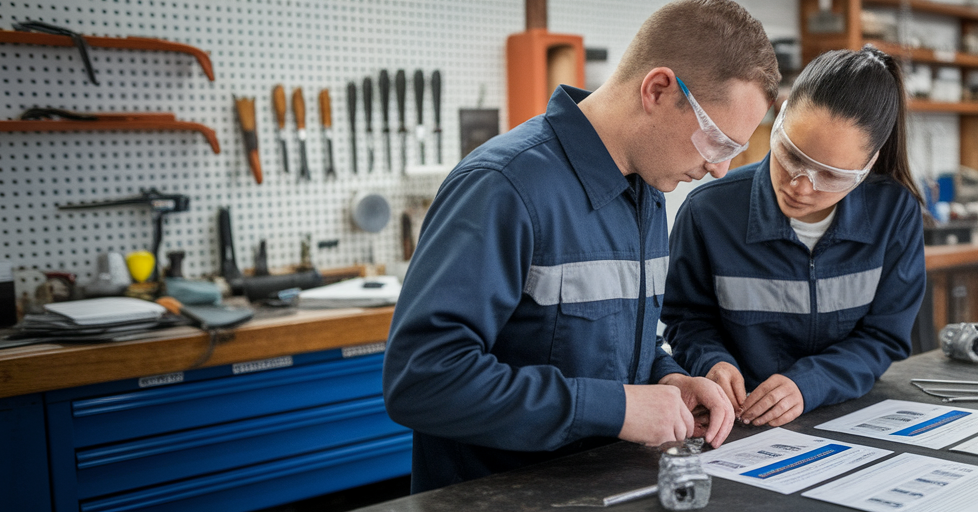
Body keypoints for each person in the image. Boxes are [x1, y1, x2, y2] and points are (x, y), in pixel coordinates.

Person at [383, 0, 779, 493]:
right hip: (500, 497)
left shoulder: (647, 194)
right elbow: (422, 381)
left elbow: (607, 344)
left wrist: (667, 379)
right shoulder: (504, 187)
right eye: (717, 142)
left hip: (598, 488)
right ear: (658, 90)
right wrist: (619, 408)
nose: (720, 169)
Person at [662, 46, 926, 428]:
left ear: (867, 166)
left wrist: (812, 383)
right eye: (792, 154)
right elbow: (686, 320)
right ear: (780, 117)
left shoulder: (894, 214)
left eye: (831, 175)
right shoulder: (708, 212)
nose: (800, 186)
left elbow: (884, 337)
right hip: (738, 422)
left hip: (847, 416)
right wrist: (711, 362)